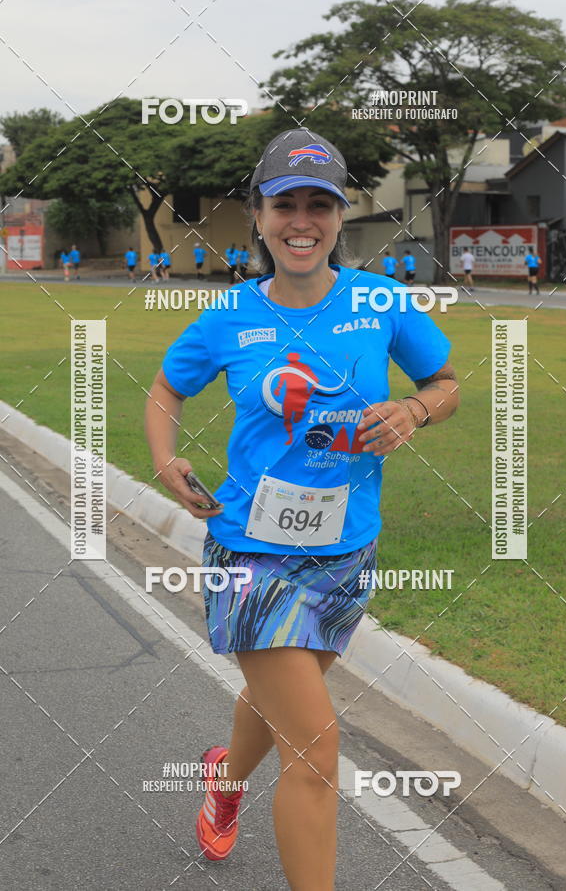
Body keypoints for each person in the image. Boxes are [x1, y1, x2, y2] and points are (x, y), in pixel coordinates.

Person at [144, 127, 458, 889]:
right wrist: (166, 459)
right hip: (248, 551)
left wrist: (415, 412)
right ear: (258, 214)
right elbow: (165, 391)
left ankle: (222, 780)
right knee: (315, 752)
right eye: (286, 203)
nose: (302, 220)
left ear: (340, 216)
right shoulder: (228, 315)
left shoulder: (381, 299)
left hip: (346, 548)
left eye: (320, 203)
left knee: (277, 695)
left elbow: (445, 382)